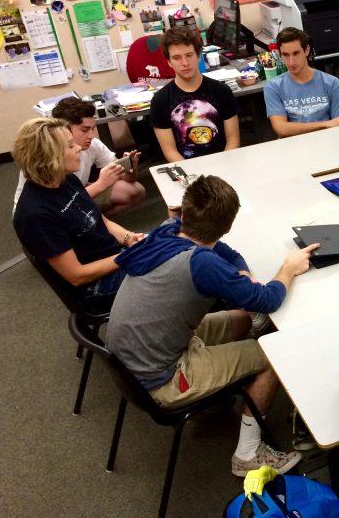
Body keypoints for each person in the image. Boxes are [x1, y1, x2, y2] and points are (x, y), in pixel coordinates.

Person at [107, 175, 318, 476]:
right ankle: (248, 453)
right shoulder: (201, 264)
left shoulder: (170, 230)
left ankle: (235, 382)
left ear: (185, 210)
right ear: (228, 226)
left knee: (243, 319)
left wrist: (241, 272)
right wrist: (289, 268)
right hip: (161, 378)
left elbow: (228, 254)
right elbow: (268, 299)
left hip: (133, 357)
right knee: (274, 354)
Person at [12, 118, 144, 313]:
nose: (79, 149)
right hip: (95, 288)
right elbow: (77, 275)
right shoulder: (35, 215)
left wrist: (129, 238)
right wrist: (129, 255)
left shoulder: (66, 180)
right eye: (70, 146)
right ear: (49, 156)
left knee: (177, 238)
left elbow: (100, 220)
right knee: (178, 269)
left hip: (114, 259)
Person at [13, 97, 145, 217]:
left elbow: (129, 178)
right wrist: (101, 184)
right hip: (47, 213)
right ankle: (88, 227)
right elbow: (60, 204)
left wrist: (131, 167)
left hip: (75, 195)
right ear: (63, 128)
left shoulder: (93, 145)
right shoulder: (46, 156)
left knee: (135, 190)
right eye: (84, 130)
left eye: (93, 128)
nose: (91, 135)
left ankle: (95, 226)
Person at [150, 26, 240, 162]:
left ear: (198, 56)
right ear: (168, 62)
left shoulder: (222, 91)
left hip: (224, 164)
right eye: (176, 58)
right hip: (187, 172)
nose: (185, 63)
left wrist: (225, 167)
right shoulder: (160, 100)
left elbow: (233, 140)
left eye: (189, 55)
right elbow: (170, 151)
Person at [264, 27, 339, 137]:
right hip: (294, 146)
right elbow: (281, 128)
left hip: (327, 141)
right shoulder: (273, 87)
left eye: (296, 53)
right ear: (280, 54)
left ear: (307, 50)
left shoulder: (332, 83)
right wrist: (326, 124)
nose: (291, 62)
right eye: (285, 55)